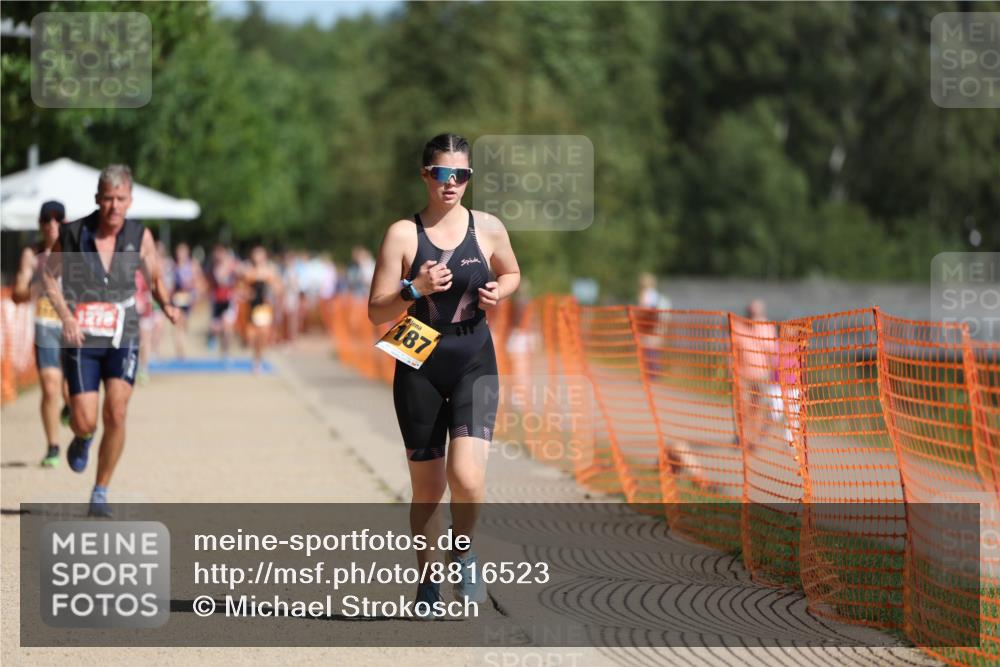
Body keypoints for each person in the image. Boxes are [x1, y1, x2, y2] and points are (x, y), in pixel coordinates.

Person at [368, 133, 520, 614]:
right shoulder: (402, 234)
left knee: (468, 478)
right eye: (442, 173)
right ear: (425, 175)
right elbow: (375, 311)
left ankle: (464, 551)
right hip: (419, 358)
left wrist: (501, 291)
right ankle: (429, 583)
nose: (451, 183)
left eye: (461, 175)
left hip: (474, 353)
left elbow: (513, 272)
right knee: (429, 489)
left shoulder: (489, 228)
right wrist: (414, 288)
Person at [42, 164, 179, 517]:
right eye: (107, 199)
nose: (114, 206)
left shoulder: (139, 235)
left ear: (130, 200)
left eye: (120, 199)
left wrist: (167, 305)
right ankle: (83, 437)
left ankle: (100, 490)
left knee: (117, 411)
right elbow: (49, 276)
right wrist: (67, 316)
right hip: (82, 334)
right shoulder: (72, 233)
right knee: (85, 420)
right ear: (97, 199)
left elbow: (156, 277)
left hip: (123, 331)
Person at [12, 201, 69, 467]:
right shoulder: (32, 254)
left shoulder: (76, 250)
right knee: (49, 385)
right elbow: (17, 293)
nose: (52, 225)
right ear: (40, 225)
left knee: (70, 389)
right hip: (45, 322)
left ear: (65, 223)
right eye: (47, 220)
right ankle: (53, 447)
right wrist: (37, 285)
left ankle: (71, 408)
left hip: (74, 325)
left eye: (58, 220)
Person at [241, 246, 282, 373]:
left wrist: (272, 292)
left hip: (264, 307)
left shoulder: (270, 272)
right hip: (251, 307)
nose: (257, 258)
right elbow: (242, 289)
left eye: (260, 255)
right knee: (251, 337)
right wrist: (247, 294)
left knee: (262, 334)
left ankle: (257, 360)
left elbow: (278, 288)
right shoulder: (249, 272)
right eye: (255, 255)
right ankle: (255, 356)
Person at [170, 242, 203, 359]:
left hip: (188, 298)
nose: (180, 255)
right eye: (179, 252)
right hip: (177, 298)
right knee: (178, 323)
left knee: (184, 324)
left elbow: (198, 282)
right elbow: (172, 285)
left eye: (182, 252)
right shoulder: (174, 266)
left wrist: (196, 297)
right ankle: (180, 349)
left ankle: (181, 347)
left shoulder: (192, 266)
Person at [206, 243, 239, 358]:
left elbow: (241, 273)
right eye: (216, 253)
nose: (218, 255)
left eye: (220, 252)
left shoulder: (232, 264)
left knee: (227, 327)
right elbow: (219, 281)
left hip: (228, 300)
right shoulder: (213, 266)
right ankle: (213, 338)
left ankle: (225, 352)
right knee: (214, 327)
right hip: (217, 300)